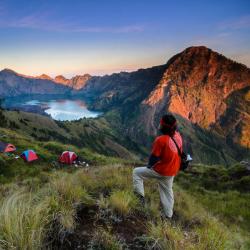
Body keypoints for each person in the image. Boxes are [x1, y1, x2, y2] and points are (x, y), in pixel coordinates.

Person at [133, 113, 183, 219]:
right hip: (173, 170)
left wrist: (149, 166)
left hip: (161, 170)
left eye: (161, 123)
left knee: (136, 172)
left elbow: (154, 157)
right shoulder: (178, 136)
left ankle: (139, 198)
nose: (159, 125)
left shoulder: (161, 140)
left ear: (163, 126)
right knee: (167, 191)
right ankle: (168, 216)